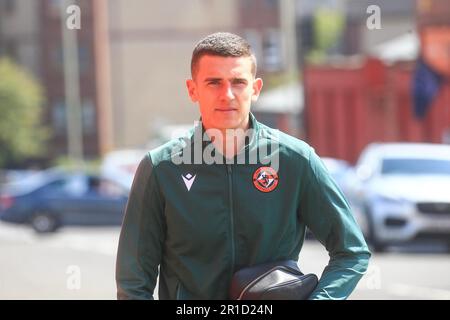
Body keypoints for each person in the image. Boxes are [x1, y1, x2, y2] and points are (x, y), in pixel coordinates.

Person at [116, 32, 371, 300]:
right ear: (193, 90)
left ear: (255, 88)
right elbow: (133, 282)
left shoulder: (296, 160)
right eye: (214, 82)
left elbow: (351, 251)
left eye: (238, 82)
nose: (227, 95)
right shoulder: (161, 168)